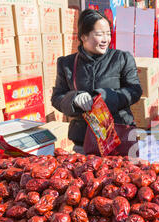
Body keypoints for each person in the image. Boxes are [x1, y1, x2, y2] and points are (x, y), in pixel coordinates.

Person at [51, 9, 142, 154]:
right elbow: (57, 98)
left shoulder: (122, 59)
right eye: (99, 34)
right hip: (83, 141)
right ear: (83, 36)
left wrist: (104, 97)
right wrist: (74, 99)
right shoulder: (66, 63)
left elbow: (135, 91)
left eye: (108, 34)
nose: (105, 39)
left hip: (118, 137)